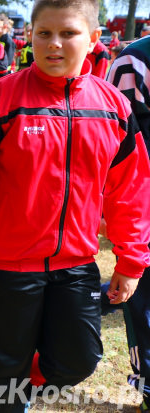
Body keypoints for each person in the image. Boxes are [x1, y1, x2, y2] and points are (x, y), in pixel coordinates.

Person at [0, 0, 150, 412]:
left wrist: (132, 260)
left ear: (94, 39)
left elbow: (131, 189)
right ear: (28, 37)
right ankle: (7, 389)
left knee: (81, 358)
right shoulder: (1, 101)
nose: (54, 44)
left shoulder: (113, 107)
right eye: (42, 33)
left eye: (68, 33)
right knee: (7, 364)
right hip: (6, 264)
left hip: (76, 262)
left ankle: (18, 387)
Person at [106, 32, 150, 412]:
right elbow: (114, 137)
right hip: (146, 198)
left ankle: (86, 299)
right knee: (146, 290)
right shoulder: (134, 61)